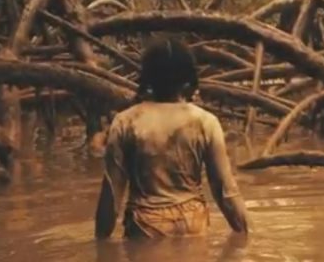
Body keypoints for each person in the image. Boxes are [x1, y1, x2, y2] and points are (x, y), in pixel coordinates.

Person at [94, 36, 249, 239]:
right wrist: (246, 236)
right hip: (193, 226)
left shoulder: (126, 122)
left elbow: (112, 197)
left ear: (148, 78)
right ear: (187, 79)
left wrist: (100, 247)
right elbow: (225, 191)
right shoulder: (205, 121)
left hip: (145, 228)